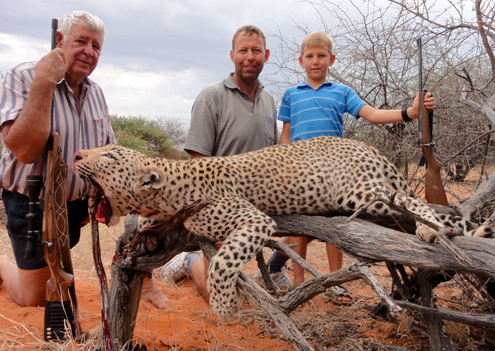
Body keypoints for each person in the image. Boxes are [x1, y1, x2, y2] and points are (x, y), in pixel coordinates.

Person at [0, 11, 165, 309]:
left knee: (57, 276)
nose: (89, 51)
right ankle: (1, 263)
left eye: (96, 46)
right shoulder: (24, 76)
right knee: (33, 297)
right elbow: (23, 150)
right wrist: (44, 83)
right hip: (32, 205)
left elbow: (109, 154)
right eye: (81, 41)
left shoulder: (96, 92)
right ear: (60, 41)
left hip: (75, 209)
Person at [263, 31, 436, 297]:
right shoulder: (290, 94)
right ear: (301, 61)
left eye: (321, 56)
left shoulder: (342, 92)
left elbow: (373, 115)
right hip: (300, 171)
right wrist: (282, 168)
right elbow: (286, 135)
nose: (315, 61)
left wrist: (410, 113)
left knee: (336, 226)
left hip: (336, 174)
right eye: (310, 56)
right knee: (298, 228)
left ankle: (334, 283)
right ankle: (298, 283)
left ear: (331, 59)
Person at [160, 25, 282, 302]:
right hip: (217, 206)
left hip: (253, 205)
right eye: (243, 51)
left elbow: (271, 159)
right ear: (232, 55)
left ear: (267, 55)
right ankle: (189, 262)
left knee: (235, 285)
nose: (249, 57)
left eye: (256, 51)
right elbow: (197, 166)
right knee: (222, 300)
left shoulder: (269, 101)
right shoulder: (210, 96)